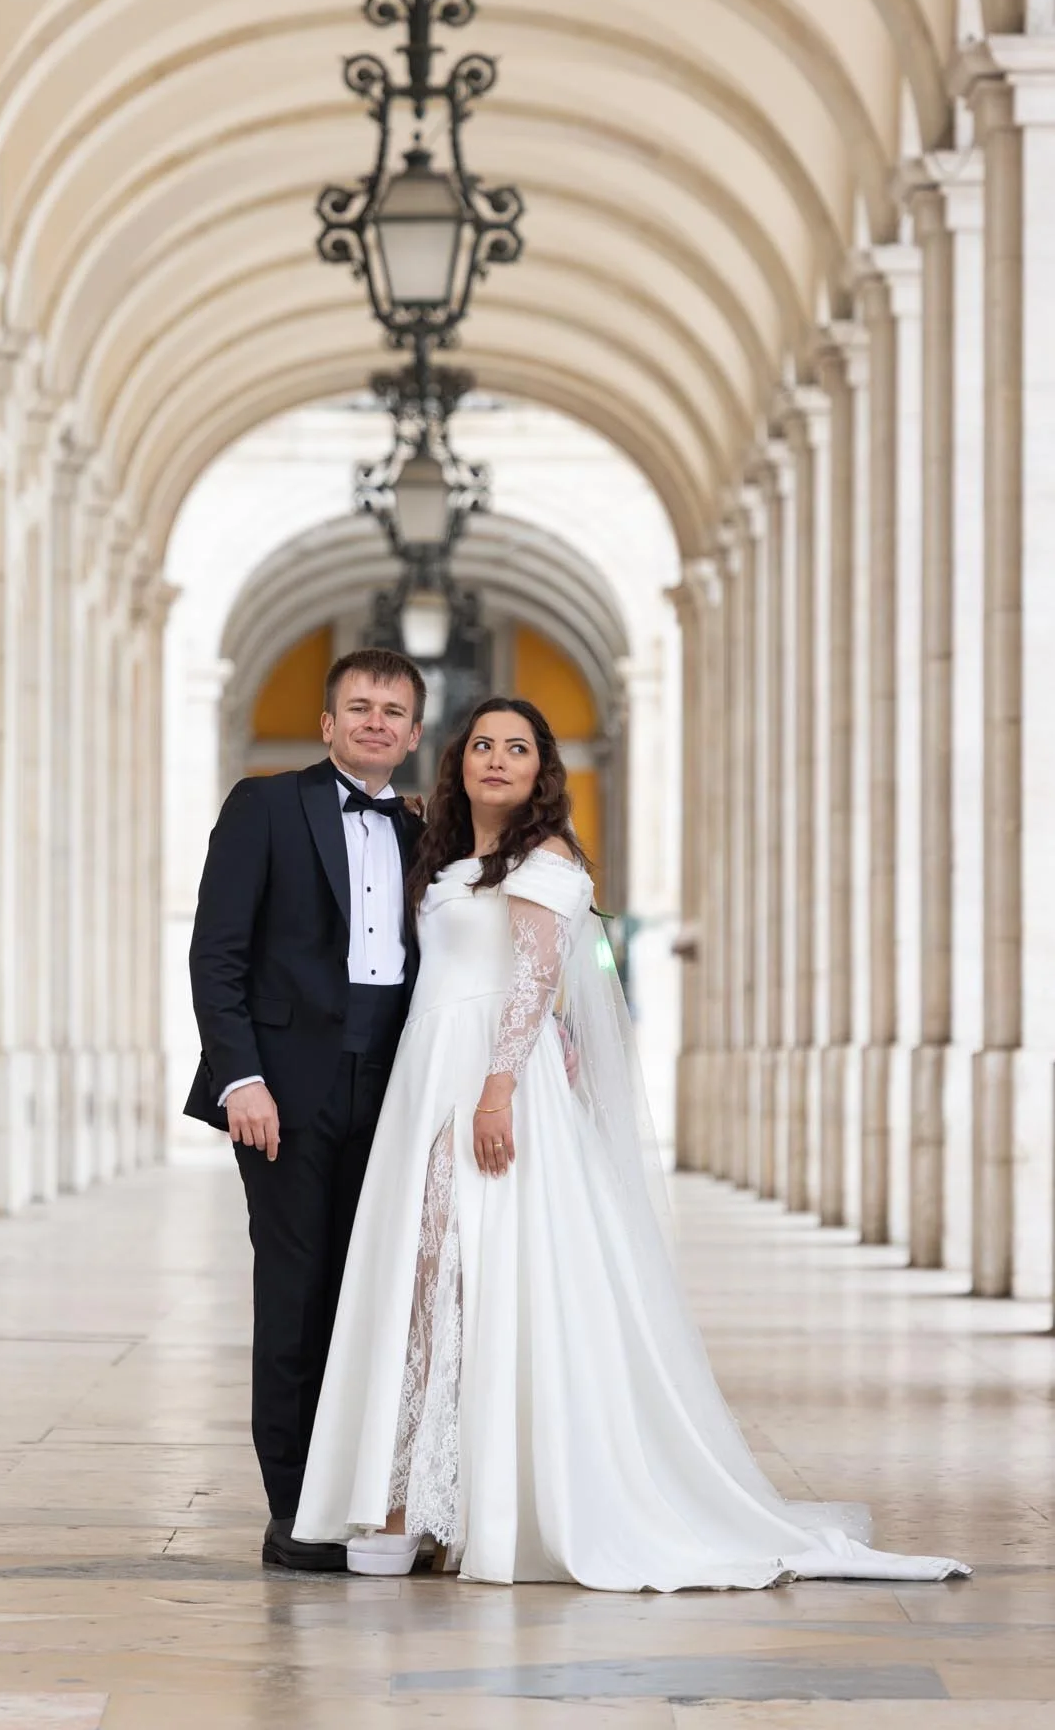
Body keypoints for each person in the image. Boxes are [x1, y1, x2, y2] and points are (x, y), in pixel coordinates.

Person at [294, 697, 968, 1590]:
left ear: (542, 771)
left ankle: (455, 1503)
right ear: (458, 761)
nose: (498, 759)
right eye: (483, 746)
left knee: (476, 1270)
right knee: (425, 1279)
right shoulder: (443, 859)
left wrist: (495, 1094)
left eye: (519, 749)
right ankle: (420, 1495)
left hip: (494, 1081)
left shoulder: (548, 858)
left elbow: (535, 985)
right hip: (427, 1075)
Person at [186, 647, 426, 1571]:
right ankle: (295, 1512)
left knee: (374, 1297)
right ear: (327, 724)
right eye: (358, 707)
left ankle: (363, 1493)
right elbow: (219, 954)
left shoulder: (422, 830)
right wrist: (240, 1078)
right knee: (295, 1297)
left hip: (397, 1082)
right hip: (284, 1091)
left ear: (411, 734)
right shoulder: (265, 805)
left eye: (393, 711)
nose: (375, 722)